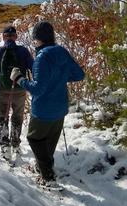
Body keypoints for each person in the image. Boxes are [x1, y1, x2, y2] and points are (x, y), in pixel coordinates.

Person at [10, 21, 84, 187]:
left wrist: (19, 79)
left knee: (35, 139)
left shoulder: (42, 57)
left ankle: (48, 178)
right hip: (61, 106)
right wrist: (60, 78)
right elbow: (79, 74)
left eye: (35, 38)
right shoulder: (61, 51)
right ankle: (43, 168)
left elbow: (37, 90)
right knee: (49, 141)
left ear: (38, 38)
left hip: (43, 109)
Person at [0, 26, 34, 154]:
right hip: (20, 89)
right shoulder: (23, 51)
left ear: (3, 37)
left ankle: (4, 143)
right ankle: (16, 142)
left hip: (2, 90)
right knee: (17, 116)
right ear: (16, 37)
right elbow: (33, 69)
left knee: (2, 115)